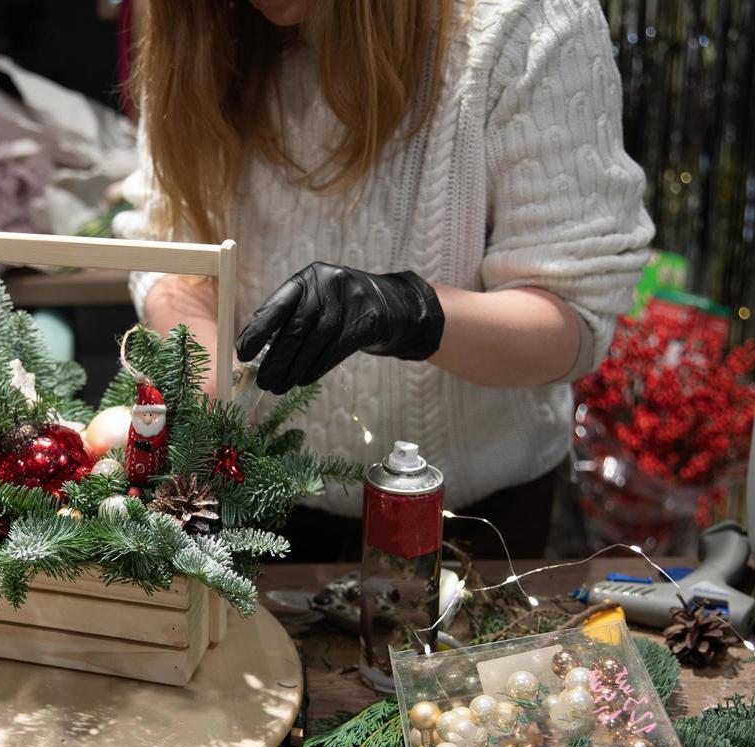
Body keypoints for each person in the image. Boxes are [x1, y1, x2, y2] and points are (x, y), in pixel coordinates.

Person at [113, 0, 653, 558]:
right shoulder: (203, 28)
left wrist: (411, 311)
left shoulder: (525, 22)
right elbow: (169, 242)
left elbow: (575, 321)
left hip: (471, 529)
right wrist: (210, 374)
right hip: (255, 510)